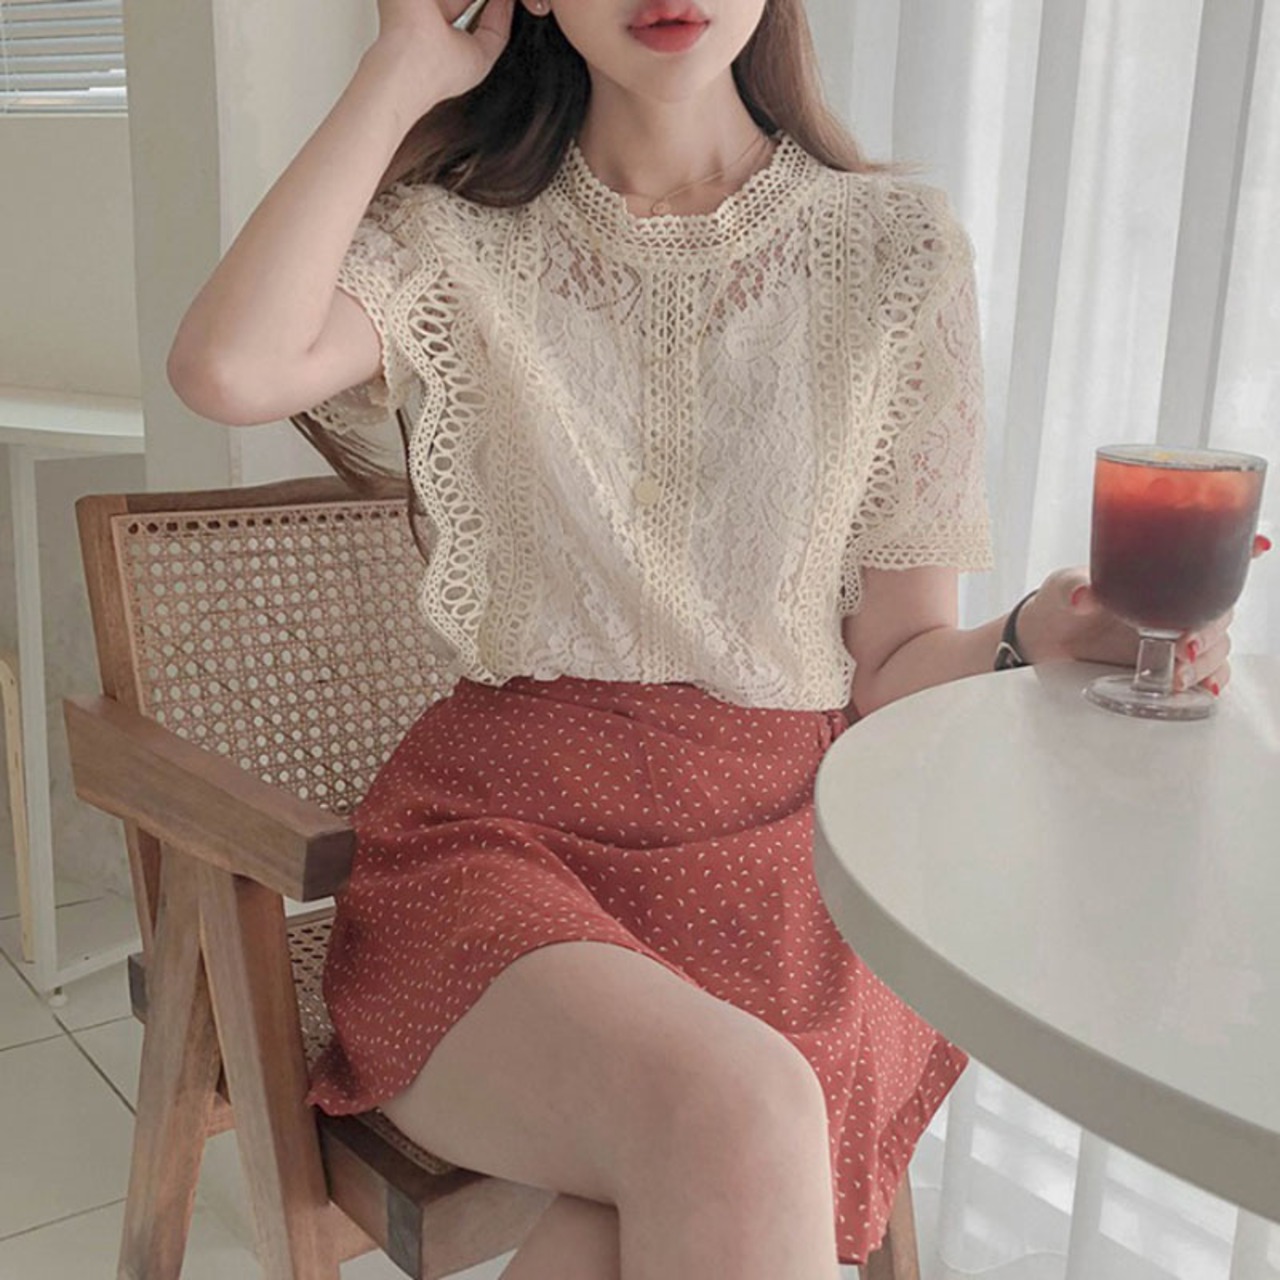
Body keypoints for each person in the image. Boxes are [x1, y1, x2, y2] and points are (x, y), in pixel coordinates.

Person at [166, 1, 1247, 1275]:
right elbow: (229, 368)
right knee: (730, 1110)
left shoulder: (890, 251)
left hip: (789, 869)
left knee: (681, 1158)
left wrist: (1032, 633)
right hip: (498, 847)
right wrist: (403, 66)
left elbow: (893, 663)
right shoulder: (454, 242)